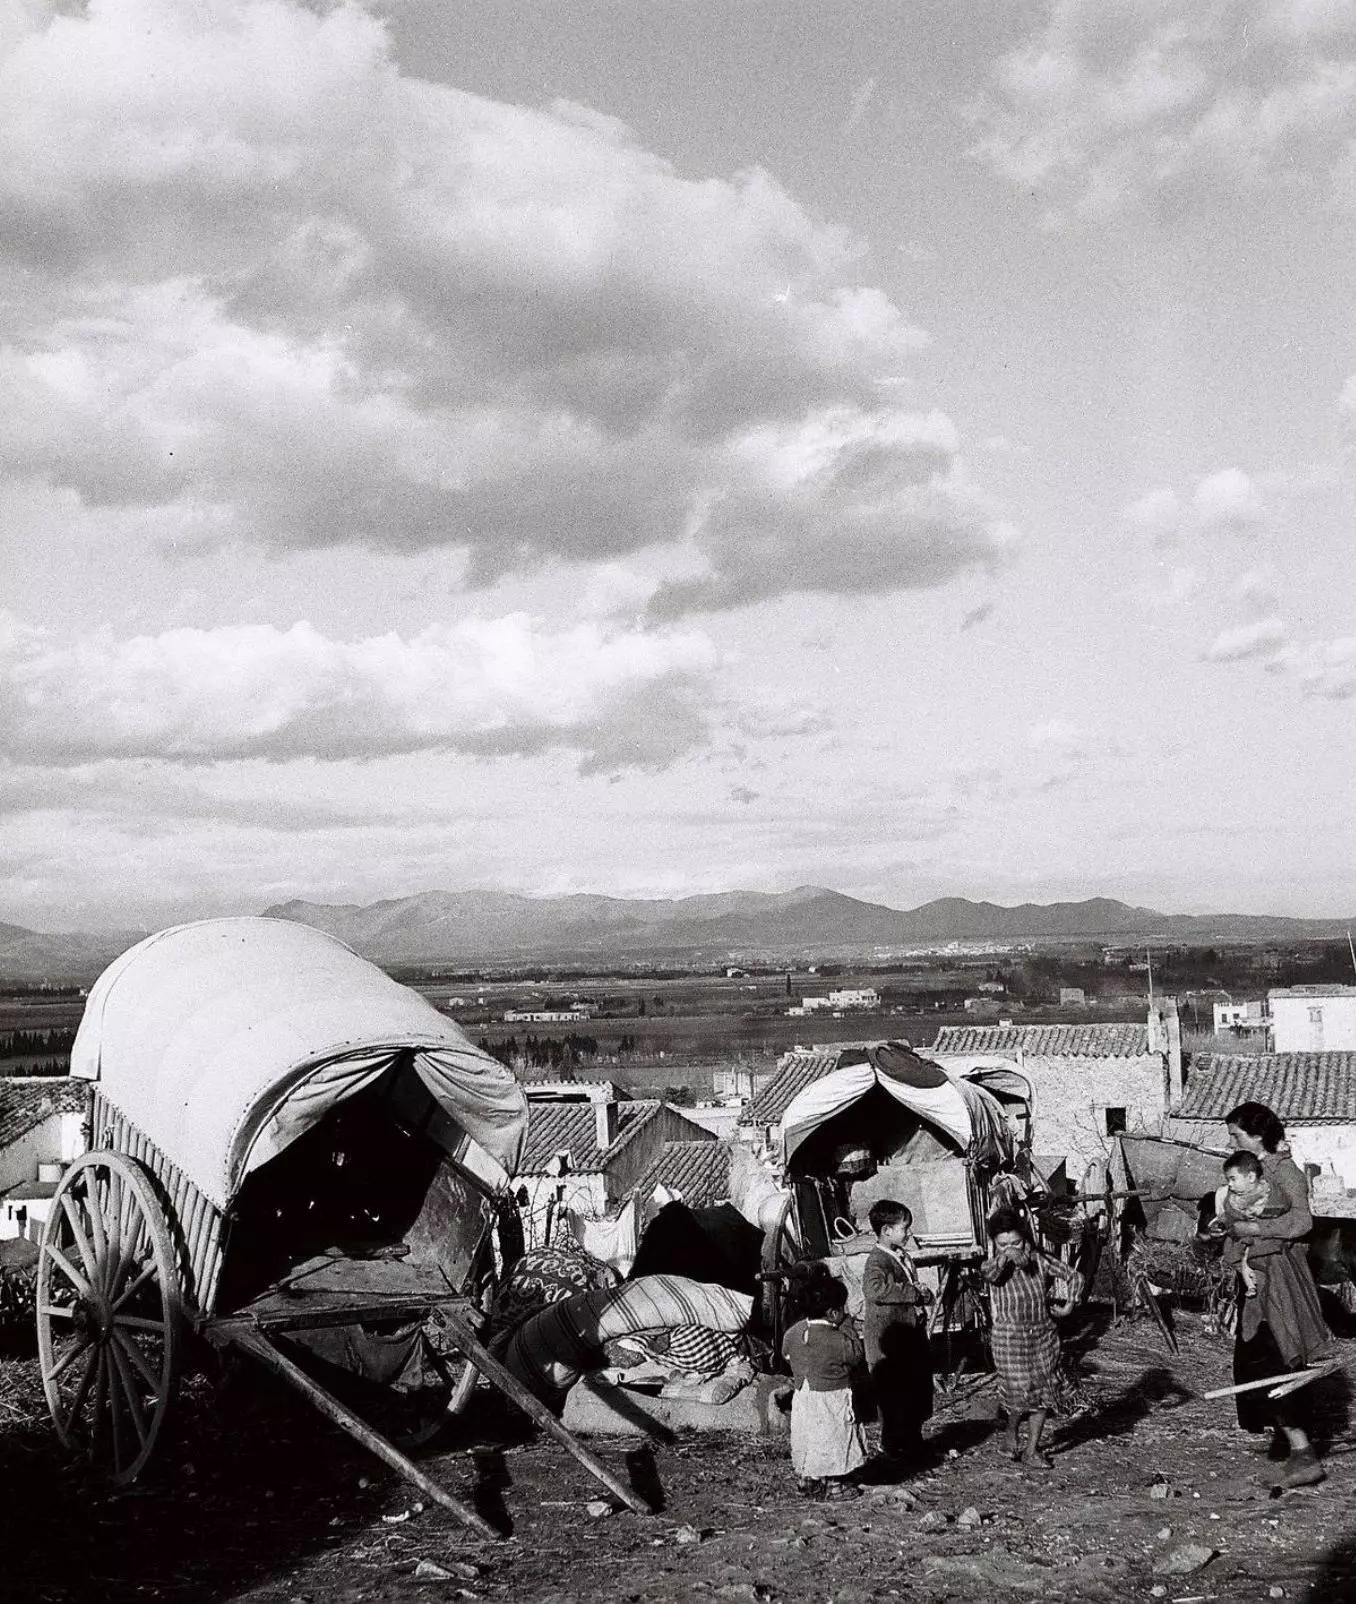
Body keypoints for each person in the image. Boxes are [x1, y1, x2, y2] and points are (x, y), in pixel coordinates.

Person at [1221, 1101, 1335, 1491]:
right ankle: (1293, 1448)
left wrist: (1255, 1230)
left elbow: (1302, 1221)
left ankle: (1304, 1455)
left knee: (1282, 1357)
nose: (1231, 1142)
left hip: (1283, 1281)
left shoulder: (1285, 1172)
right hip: (1257, 1281)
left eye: (1236, 1135)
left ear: (1257, 1134)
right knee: (1259, 1360)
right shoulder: (1249, 1174)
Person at [981, 1207, 1083, 1469]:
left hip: (1042, 1336)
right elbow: (991, 1273)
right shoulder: (993, 1266)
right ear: (994, 1243)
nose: (1011, 1248)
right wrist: (1006, 1257)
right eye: (1003, 1244)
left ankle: (1031, 1450)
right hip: (1010, 1340)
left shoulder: (1040, 1260)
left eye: (1016, 1242)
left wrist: (1069, 1304)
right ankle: (1011, 1431)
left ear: (1026, 1237)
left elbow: (1074, 1276)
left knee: (1043, 1394)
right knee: (1019, 1393)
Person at [780, 1271, 866, 1500]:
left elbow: (785, 1355)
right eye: (842, 1309)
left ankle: (807, 1480)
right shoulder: (837, 1338)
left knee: (809, 1438)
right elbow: (856, 1355)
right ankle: (835, 1486)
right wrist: (847, 1326)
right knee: (834, 1438)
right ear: (833, 1312)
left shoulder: (793, 1332)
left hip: (804, 1394)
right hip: (832, 1397)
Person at [861, 1199, 934, 1462]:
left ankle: (912, 1441)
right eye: (905, 1228)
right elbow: (874, 1289)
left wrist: (922, 1295)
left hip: (906, 1340)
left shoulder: (902, 1256)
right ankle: (892, 1447)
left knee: (912, 1390)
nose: (909, 1233)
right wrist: (912, 1294)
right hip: (887, 1344)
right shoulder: (877, 1261)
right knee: (891, 1396)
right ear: (886, 1231)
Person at [1211, 1151, 1280, 1299]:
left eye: (1233, 1179)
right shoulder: (1232, 1197)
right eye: (1228, 1179)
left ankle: (1253, 1286)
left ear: (1251, 1177)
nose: (1230, 1184)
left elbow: (1271, 1216)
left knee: (1249, 1262)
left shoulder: (1265, 1193)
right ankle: (1250, 1286)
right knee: (1242, 1263)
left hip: (1260, 1241)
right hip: (1240, 1241)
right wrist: (1221, 1224)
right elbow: (1228, 1215)